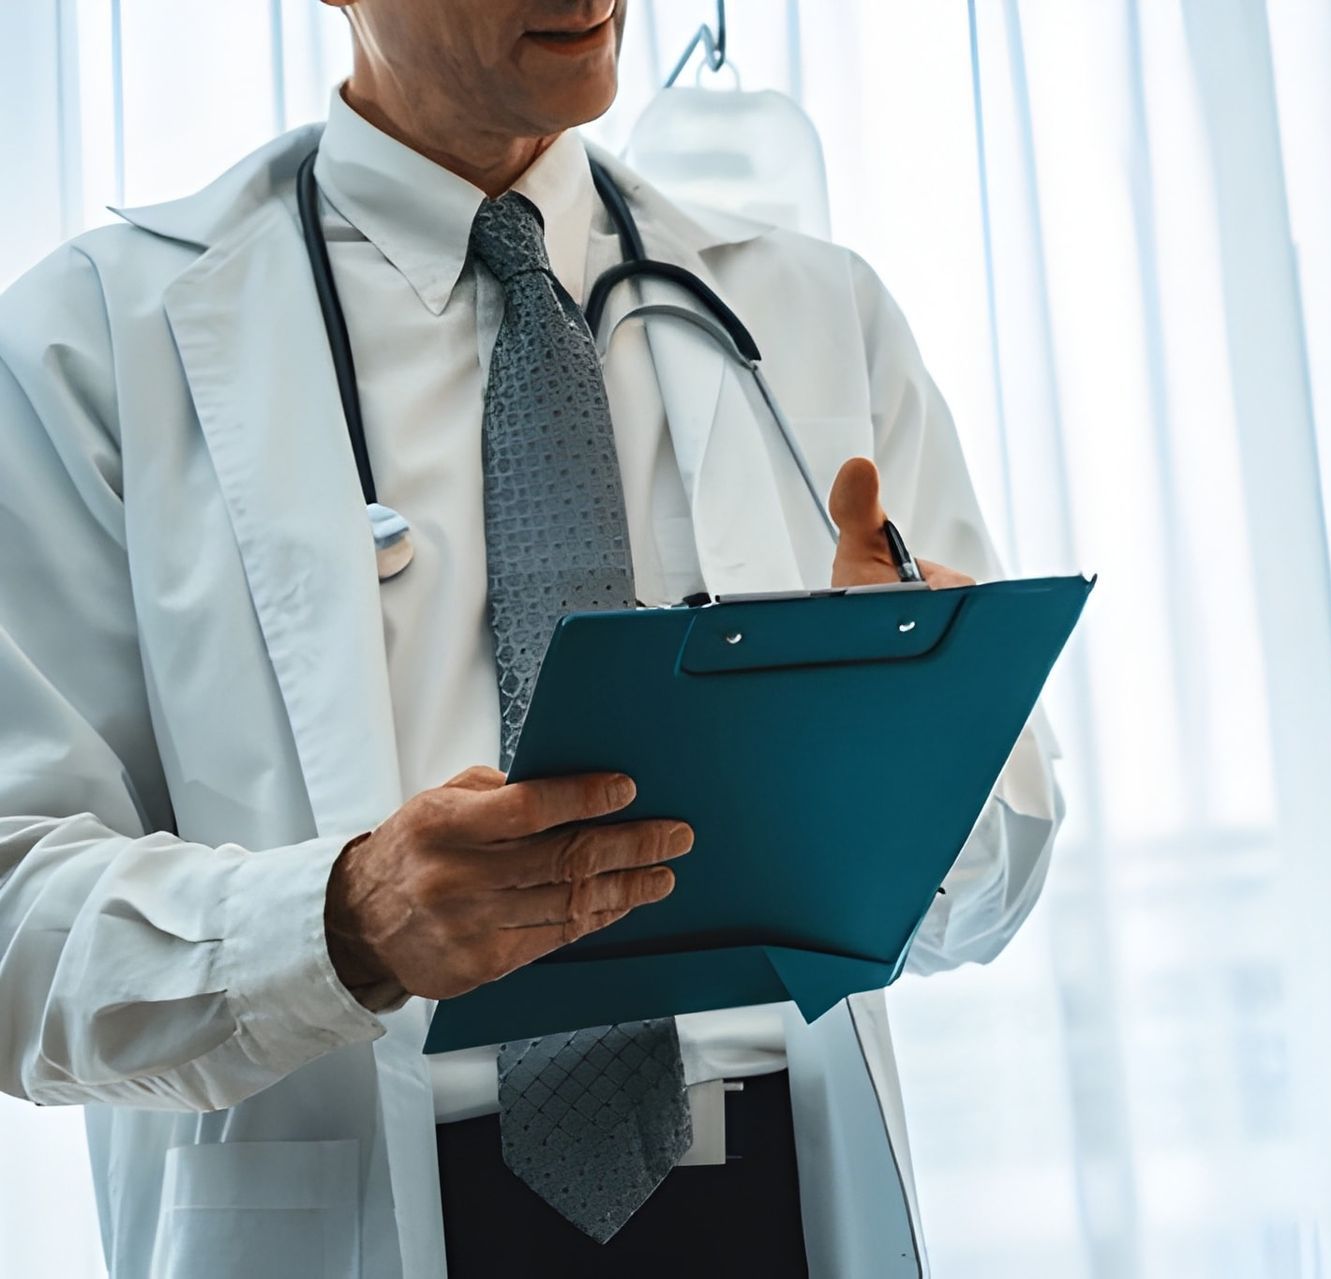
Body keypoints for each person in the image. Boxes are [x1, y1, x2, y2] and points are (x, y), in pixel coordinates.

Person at [0, 1, 1062, 1275]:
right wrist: (340, 924)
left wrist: (916, 745)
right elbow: (14, 914)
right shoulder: (91, 348)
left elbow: (993, 878)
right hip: (370, 1222)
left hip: (770, 1205)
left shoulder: (816, 309)